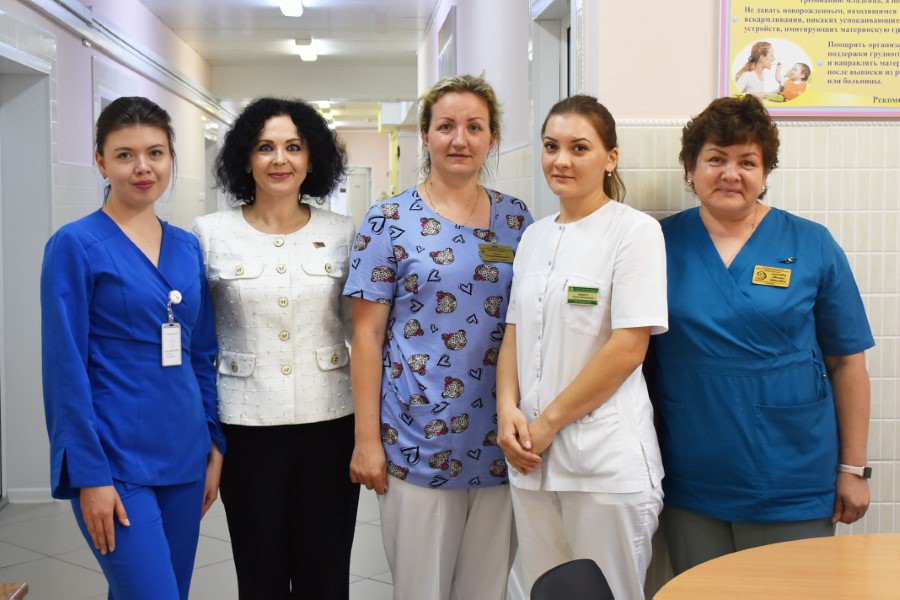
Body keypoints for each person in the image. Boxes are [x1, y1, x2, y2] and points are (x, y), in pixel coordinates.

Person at [648, 94, 874, 575]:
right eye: (716, 159)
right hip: (693, 472)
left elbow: (847, 361)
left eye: (747, 162)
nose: (731, 174)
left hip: (793, 473)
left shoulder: (811, 244)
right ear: (690, 168)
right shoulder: (656, 245)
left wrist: (853, 469)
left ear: (766, 172)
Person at [343, 74, 533, 600]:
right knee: (420, 589)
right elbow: (366, 335)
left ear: (492, 138)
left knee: (486, 589)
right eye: (446, 126)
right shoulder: (387, 221)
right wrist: (366, 442)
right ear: (425, 135)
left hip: (499, 440)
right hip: (416, 439)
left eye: (474, 127)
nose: (460, 139)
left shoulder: (517, 219)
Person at [41, 96, 225, 600]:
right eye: (125, 155)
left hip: (185, 455)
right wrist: (89, 475)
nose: (143, 167)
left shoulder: (186, 246)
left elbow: (202, 352)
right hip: (114, 460)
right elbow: (64, 368)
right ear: (101, 162)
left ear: (170, 159)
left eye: (155, 153)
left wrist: (214, 442)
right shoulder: (75, 245)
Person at [496, 95, 667, 599]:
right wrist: (507, 410)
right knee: (539, 592)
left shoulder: (635, 232)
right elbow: (513, 332)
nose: (561, 160)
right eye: (551, 146)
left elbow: (628, 349)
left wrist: (547, 423)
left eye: (579, 148)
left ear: (610, 158)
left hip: (604, 467)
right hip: (531, 461)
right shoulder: (533, 237)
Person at [192, 97, 357, 599]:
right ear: (245, 158)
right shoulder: (209, 234)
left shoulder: (343, 232)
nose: (279, 159)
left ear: (312, 158)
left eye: (293, 147)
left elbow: (363, 332)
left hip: (330, 423)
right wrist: (205, 436)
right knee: (259, 574)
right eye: (265, 147)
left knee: (325, 576)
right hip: (246, 427)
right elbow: (199, 343)